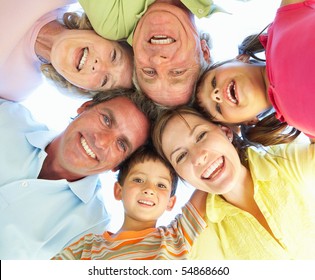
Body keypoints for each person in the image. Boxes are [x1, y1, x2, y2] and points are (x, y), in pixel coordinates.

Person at [0, 89, 153, 260]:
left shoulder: (91, 232)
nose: (102, 142)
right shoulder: (6, 116)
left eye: (121, 145)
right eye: (106, 120)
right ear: (85, 107)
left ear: (118, 166)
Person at [152, 106, 315, 259]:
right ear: (181, 176)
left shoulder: (287, 161)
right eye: (181, 156)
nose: (198, 157)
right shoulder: (204, 234)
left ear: (226, 132)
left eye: (201, 136)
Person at [52, 144, 207, 260]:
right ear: (119, 191)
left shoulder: (176, 237)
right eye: (138, 180)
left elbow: (210, 180)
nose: (149, 189)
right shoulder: (87, 247)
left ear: (170, 203)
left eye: (161, 185)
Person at [195, 0, 315, 145]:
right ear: (248, 121)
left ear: (239, 59)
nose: (215, 95)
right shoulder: (304, 126)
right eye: (218, 108)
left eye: (213, 81)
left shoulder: (288, 15)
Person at [78, 0, 220, 106]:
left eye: (149, 72)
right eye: (177, 72)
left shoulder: (111, 22)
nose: (158, 60)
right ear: (204, 52)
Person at [0, 0, 134, 102]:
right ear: (105, 34)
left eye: (104, 80)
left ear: (83, 88)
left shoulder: (17, 87)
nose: (98, 66)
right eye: (113, 56)